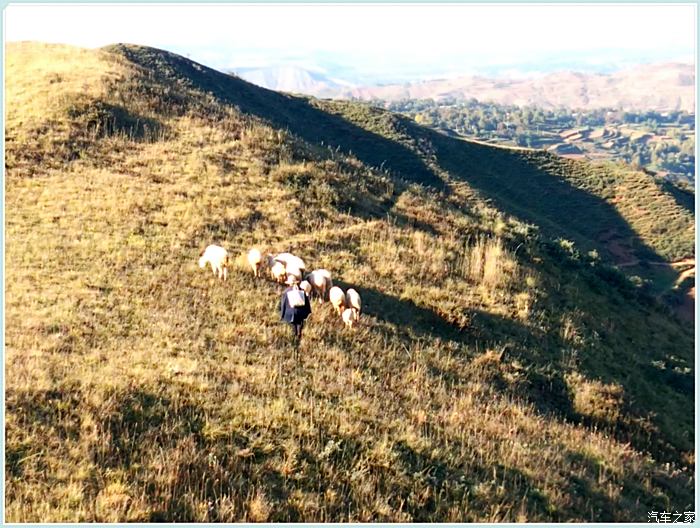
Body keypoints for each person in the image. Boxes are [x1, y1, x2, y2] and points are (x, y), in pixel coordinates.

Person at [280, 274, 311, 351]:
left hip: (290, 313)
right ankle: (299, 336)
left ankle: (294, 342)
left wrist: (282, 314)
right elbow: (307, 302)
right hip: (300, 313)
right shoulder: (302, 291)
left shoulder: (286, 292)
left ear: (289, 283)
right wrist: (307, 312)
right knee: (299, 324)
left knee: (293, 325)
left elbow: (283, 304)